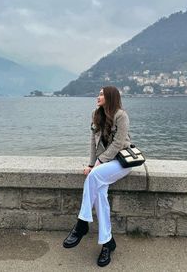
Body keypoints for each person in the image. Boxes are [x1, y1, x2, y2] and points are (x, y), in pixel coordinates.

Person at [62, 86, 132, 267]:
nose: (98, 96)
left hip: (120, 162)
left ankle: (82, 223)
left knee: (93, 178)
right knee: (100, 195)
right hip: (103, 163)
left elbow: (118, 144)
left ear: (110, 97)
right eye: (98, 93)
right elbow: (93, 143)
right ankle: (107, 243)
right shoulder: (96, 114)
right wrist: (91, 164)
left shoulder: (121, 115)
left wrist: (99, 163)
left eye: (101, 94)